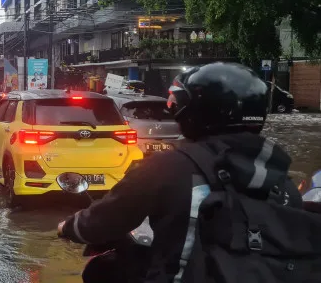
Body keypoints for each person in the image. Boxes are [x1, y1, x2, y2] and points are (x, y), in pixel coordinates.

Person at [56, 62, 308, 282]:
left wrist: (69, 226)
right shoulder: (278, 175)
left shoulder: (168, 167)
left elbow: (105, 219)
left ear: (193, 112)